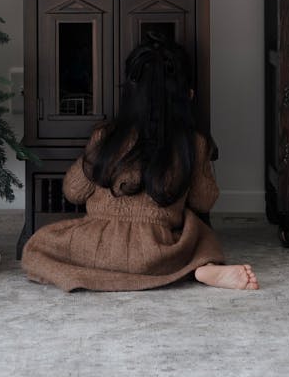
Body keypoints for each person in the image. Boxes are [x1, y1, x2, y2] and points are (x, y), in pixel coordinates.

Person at [21, 33, 259, 292]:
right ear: (187, 95)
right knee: (200, 233)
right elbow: (204, 201)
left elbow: (73, 192)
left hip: (96, 247)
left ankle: (93, 275)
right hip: (157, 252)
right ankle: (199, 269)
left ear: (128, 94)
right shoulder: (192, 142)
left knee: (37, 247)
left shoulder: (106, 136)